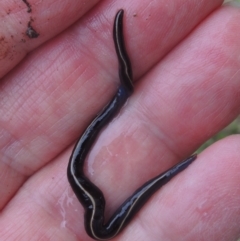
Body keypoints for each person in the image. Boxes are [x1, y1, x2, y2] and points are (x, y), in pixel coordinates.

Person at [0, 0, 240, 240]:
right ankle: (123, 92)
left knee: (78, 166)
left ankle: (123, 92)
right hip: (99, 225)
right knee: (79, 168)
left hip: (93, 212)